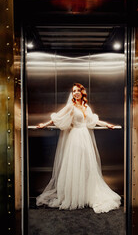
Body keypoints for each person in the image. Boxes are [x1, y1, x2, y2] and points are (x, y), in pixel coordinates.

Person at [36, 83, 121, 213]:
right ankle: (73, 196)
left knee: (87, 166)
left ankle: (85, 195)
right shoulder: (71, 106)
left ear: (82, 93)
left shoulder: (86, 107)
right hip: (75, 137)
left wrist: (108, 124)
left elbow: (94, 121)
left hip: (85, 137)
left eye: (78, 91)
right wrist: (44, 124)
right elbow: (57, 117)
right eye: (74, 91)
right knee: (75, 165)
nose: (75, 93)